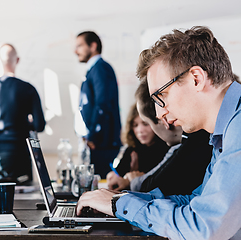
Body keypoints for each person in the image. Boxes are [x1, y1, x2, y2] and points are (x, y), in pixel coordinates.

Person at [77, 26, 241, 239]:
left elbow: (204, 227)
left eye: (160, 96)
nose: (159, 113)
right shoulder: (223, 133)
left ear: (196, 79)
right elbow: (196, 202)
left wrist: (120, 204)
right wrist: (119, 200)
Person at [109, 80, 212, 195]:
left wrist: (132, 183)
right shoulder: (192, 140)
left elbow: (153, 187)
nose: (140, 130)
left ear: (163, 120)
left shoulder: (193, 143)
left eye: (147, 124)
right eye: (135, 125)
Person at [0, 43, 45, 185]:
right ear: (17, 60)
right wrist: (26, 122)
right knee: (23, 200)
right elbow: (40, 125)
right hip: (20, 153)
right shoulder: (28, 89)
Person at [75, 31, 122, 177]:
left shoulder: (100, 68)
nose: (75, 51)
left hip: (101, 143)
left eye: (80, 45)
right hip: (97, 143)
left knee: (101, 188)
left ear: (93, 46)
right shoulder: (93, 70)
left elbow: (103, 104)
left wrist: (93, 137)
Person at [106, 103, 169, 188]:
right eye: (135, 125)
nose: (140, 130)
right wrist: (114, 176)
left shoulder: (167, 148)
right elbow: (119, 173)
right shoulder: (132, 149)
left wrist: (134, 179)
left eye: (145, 124)